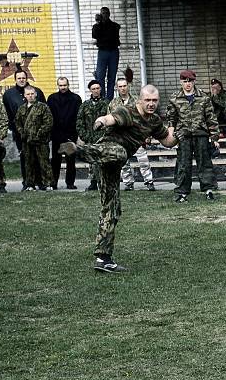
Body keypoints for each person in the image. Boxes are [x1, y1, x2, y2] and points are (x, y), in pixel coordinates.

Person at [58, 85, 177, 273]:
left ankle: (103, 258)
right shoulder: (128, 111)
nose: (151, 104)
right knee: (120, 153)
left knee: (112, 208)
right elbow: (110, 118)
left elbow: (168, 141)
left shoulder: (153, 121)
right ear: (140, 100)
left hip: (113, 166)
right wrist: (101, 121)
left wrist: (177, 133)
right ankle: (77, 150)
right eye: (148, 100)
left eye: (154, 101)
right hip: (106, 152)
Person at [166, 70, 219, 202]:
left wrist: (214, 138)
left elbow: (211, 118)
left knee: (204, 163)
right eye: (185, 81)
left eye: (190, 81)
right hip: (183, 135)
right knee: (183, 164)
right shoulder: (174, 98)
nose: (188, 84)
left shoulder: (204, 97)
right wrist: (171, 136)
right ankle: (182, 192)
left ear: (194, 81)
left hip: (201, 134)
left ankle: (208, 190)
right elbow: (171, 119)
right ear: (181, 82)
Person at [109, 77, 155, 191]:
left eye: (124, 86)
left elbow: (146, 118)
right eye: (120, 86)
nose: (123, 88)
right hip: (120, 136)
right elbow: (110, 119)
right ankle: (128, 183)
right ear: (117, 88)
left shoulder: (137, 101)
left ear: (128, 86)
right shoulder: (113, 103)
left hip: (136, 135)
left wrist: (147, 135)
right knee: (123, 162)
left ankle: (149, 181)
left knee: (143, 160)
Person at [2, 68, 46, 190]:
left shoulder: (37, 91)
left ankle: (40, 182)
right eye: (19, 78)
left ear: (27, 78)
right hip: (20, 134)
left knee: (38, 158)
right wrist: (15, 130)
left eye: (23, 78)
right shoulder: (8, 95)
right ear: (15, 79)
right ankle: (27, 183)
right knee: (25, 158)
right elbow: (8, 114)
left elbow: (44, 111)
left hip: (37, 134)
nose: (21, 80)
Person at [15, 85, 53, 191]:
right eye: (28, 94)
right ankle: (30, 184)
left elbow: (48, 122)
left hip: (40, 141)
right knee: (28, 163)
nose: (30, 96)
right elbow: (17, 122)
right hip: (27, 141)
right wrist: (22, 133)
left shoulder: (43, 107)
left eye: (32, 94)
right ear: (24, 96)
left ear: (36, 94)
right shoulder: (21, 109)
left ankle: (48, 183)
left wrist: (39, 134)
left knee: (44, 162)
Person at [47, 77, 82, 190]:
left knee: (70, 161)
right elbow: (49, 117)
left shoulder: (76, 99)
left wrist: (76, 135)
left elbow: (78, 117)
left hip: (70, 134)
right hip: (56, 134)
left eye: (64, 85)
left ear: (68, 85)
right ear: (58, 86)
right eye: (60, 85)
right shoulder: (52, 98)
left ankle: (70, 183)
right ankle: (53, 183)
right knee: (55, 161)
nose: (63, 87)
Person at [76, 80, 109, 191]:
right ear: (90, 90)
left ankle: (105, 182)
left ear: (100, 89)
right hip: (90, 138)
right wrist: (84, 136)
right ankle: (93, 182)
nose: (96, 91)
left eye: (97, 88)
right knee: (92, 161)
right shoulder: (85, 105)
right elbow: (80, 122)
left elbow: (110, 119)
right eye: (93, 89)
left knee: (104, 161)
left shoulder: (107, 103)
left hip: (103, 138)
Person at [92, 6, 120, 100]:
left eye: (106, 13)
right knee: (100, 76)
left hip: (113, 52)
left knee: (112, 77)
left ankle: (109, 99)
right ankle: (102, 98)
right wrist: (98, 23)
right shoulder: (97, 26)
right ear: (100, 14)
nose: (105, 15)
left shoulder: (115, 25)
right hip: (103, 52)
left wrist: (102, 37)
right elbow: (95, 35)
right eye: (103, 13)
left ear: (109, 14)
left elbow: (111, 36)